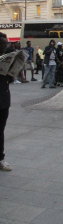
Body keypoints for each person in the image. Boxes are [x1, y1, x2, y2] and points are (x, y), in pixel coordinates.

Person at [0, 35, 12, 171]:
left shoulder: (5, 60)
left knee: (0, 131)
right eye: (3, 44)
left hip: (3, 100)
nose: (5, 47)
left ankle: (0, 159)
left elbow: (10, 79)